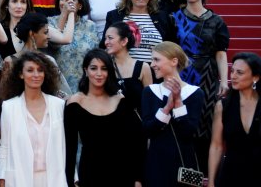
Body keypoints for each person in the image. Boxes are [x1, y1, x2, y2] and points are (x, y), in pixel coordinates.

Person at [174, 0, 229, 170]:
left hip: (207, 75)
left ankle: (206, 173)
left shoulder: (216, 21)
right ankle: (185, 172)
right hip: (182, 74)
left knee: (205, 123)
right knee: (184, 121)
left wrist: (224, 81)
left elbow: (221, 53)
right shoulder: (175, 18)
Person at [65, 48, 145, 187]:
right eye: (94, 68)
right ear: (86, 70)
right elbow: (69, 148)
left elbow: (136, 140)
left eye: (104, 68)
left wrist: (138, 178)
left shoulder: (120, 100)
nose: (99, 74)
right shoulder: (74, 103)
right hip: (90, 174)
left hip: (123, 173)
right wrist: (70, 182)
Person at [208, 52, 261, 187]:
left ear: (255, 77)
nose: (233, 76)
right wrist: (211, 182)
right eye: (232, 71)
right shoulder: (223, 106)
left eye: (240, 72)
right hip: (231, 176)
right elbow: (216, 146)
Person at [0, 51, 67, 186]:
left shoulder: (58, 105)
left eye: (40, 70)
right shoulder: (9, 107)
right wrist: (2, 179)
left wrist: (73, 176)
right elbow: (4, 147)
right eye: (30, 70)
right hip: (19, 178)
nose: (36, 75)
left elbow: (66, 146)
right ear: (21, 74)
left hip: (54, 179)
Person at [142, 42, 205, 187]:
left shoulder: (195, 93)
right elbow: (148, 130)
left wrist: (178, 103)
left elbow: (188, 132)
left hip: (184, 164)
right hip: (156, 163)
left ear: (174, 61)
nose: (152, 64)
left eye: (157, 59)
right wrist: (167, 107)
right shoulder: (150, 91)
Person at [103, 0, 175, 63]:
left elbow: (171, 47)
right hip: (123, 71)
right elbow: (105, 45)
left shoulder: (162, 17)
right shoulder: (114, 16)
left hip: (155, 71)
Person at [48, 0, 100, 92]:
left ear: (80, 5)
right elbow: (55, 45)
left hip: (85, 87)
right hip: (57, 87)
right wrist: (66, 14)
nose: (66, 3)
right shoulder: (49, 23)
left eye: (72, 0)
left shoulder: (90, 26)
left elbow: (95, 56)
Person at [104, 21, 153, 111]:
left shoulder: (143, 67)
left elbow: (149, 101)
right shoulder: (104, 67)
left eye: (110, 38)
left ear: (124, 41)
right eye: (105, 38)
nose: (106, 42)